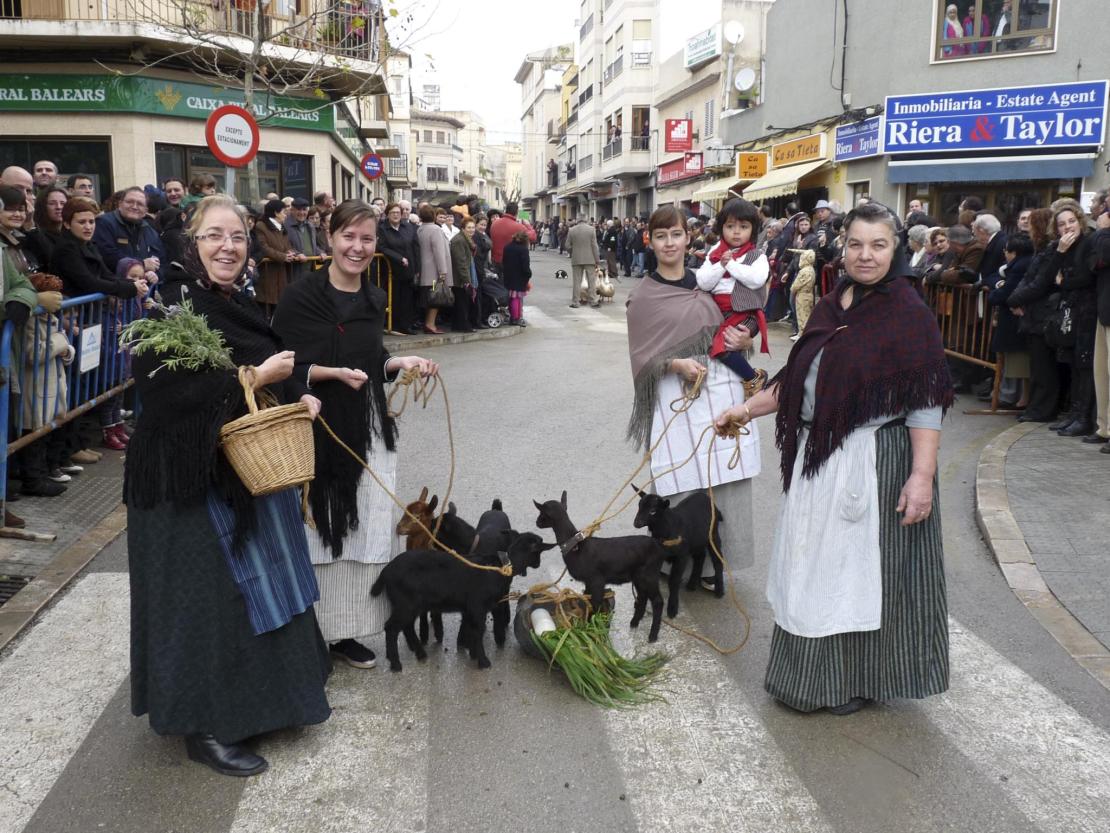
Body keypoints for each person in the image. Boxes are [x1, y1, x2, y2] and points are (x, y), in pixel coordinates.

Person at [715, 201, 954, 715]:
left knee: (860, 575)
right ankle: (810, 680)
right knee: (813, 566)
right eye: (856, 244)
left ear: (897, 249)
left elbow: (926, 403)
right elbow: (798, 379)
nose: (865, 256)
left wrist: (921, 477)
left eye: (879, 245)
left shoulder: (908, 313)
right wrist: (744, 409)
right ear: (841, 247)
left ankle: (857, 682)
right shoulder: (832, 303)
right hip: (819, 454)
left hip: (872, 461)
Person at [128, 194, 330, 777]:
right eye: (215, 236)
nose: (228, 247)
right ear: (191, 243)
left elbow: (257, 374)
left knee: (258, 588)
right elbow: (166, 392)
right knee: (209, 607)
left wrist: (294, 396)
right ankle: (205, 725)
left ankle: (268, 700)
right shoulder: (168, 304)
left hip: (238, 472)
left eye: (238, 237)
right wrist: (254, 376)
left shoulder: (231, 302)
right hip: (184, 484)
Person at [271, 198, 437, 669]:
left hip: (364, 423)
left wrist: (398, 363)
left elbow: (371, 359)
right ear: (330, 238)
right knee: (317, 531)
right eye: (349, 236)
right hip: (315, 422)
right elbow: (282, 366)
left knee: (362, 527)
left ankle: (344, 632)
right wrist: (327, 374)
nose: (358, 247)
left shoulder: (372, 298)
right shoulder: (300, 297)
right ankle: (310, 635)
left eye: (367, 238)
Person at [624, 204, 760, 586]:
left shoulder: (709, 280)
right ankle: (675, 561)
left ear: (688, 238)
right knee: (682, 475)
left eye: (677, 234)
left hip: (720, 388)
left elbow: (739, 318)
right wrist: (676, 365)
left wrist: (746, 335)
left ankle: (720, 558)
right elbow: (640, 357)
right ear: (650, 241)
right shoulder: (643, 296)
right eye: (661, 235)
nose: (670, 243)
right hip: (676, 396)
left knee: (724, 473)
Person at [695, 198, 771, 396]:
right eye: (730, 226)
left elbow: (756, 280)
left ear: (753, 229)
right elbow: (703, 282)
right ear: (721, 228)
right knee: (709, 344)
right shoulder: (714, 252)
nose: (736, 232)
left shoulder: (757, 256)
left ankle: (753, 378)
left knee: (722, 346)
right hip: (716, 311)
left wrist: (730, 265)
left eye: (743, 226)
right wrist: (720, 264)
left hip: (743, 311)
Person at [1043, 199, 1097, 437]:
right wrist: (1060, 253)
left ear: (1080, 221)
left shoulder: (1089, 242)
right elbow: (1048, 276)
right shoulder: (1060, 246)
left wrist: (1064, 281)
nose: (1068, 227)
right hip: (1069, 310)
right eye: (1062, 224)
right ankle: (1074, 414)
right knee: (1073, 362)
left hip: (1087, 310)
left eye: (1071, 222)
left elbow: (1087, 276)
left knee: (1083, 364)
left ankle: (1083, 417)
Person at [987, 233, 1033, 410]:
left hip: (1016, 321)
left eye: (1006, 251)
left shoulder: (1019, 266)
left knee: (1021, 364)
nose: (1005, 254)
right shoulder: (1022, 264)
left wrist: (993, 294)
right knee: (1018, 363)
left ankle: (1024, 398)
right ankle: (1022, 397)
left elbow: (1007, 292)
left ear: (1014, 252)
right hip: (1015, 318)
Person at [92, 186, 164, 282]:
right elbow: (106, 255)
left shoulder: (150, 231)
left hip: (143, 290)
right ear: (120, 204)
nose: (134, 207)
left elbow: (162, 261)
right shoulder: (104, 223)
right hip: (114, 289)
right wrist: (141, 264)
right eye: (130, 202)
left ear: (146, 210)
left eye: (140, 204)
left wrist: (155, 274)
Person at [376, 202, 420, 334]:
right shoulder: (382, 228)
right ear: (387, 214)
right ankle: (393, 325)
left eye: (398, 213)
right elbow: (382, 247)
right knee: (394, 298)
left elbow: (416, 247)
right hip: (391, 269)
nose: (395, 215)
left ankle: (406, 325)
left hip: (409, 269)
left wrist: (418, 268)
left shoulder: (409, 227)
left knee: (407, 298)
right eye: (392, 213)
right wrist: (399, 258)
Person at [251, 198, 296, 314]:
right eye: (284, 212)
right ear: (276, 212)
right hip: (267, 273)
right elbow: (263, 247)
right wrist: (282, 256)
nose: (286, 215)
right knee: (266, 307)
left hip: (281, 273)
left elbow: (287, 245)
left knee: (279, 307)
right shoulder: (261, 226)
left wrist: (290, 252)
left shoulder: (282, 227)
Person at [416, 203, 450, 334]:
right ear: (434, 216)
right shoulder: (435, 230)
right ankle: (430, 324)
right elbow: (439, 252)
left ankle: (427, 323)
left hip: (422, 270)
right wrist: (443, 271)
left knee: (427, 297)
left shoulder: (419, 229)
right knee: (435, 298)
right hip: (433, 272)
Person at [448, 215, 477, 332]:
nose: (472, 230)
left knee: (463, 302)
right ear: (463, 228)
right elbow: (461, 262)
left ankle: (460, 325)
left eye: (473, 227)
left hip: (463, 276)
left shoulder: (466, 239)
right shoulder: (459, 240)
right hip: (459, 278)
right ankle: (462, 326)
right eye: (469, 227)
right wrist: (467, 281)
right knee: (461, 302)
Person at [489, 201, 536, 273]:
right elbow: (533, 237)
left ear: (506, 210)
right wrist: (528, 224)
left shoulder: (494, 224)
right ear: (516, 212)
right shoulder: (518, 226)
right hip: (511, 262)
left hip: (495, 260)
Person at [566, 216, 600, 309]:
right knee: (591, 281)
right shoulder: (591, 229)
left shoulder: (571, 230)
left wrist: (573, 252)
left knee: (577, 281)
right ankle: (592, 300)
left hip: (576, 259)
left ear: (577, 220)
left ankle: (575, 301)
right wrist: (597, 259)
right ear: (586, 220)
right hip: (590, 258)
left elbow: (567, 245)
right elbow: (594, 245)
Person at [502, 230, 532, 327]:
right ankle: (516, 318)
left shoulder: (507, 247)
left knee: (511, 297)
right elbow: (525, 266)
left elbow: (503, 262)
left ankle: (512, 317)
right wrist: (528, 274)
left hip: (508, 276)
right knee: (517, 298)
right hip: (519, 277)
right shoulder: (523, 249)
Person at [284, 197, 317, 281]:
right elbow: (283, 246)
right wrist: (297, 254)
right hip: (293, 271)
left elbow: (312, 245)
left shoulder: (310, 226)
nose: (302, 213)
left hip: (309, 269)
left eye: (304, 210)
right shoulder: (285, 226)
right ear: (292, 210)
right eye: (299, 210)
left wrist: (321, 253)